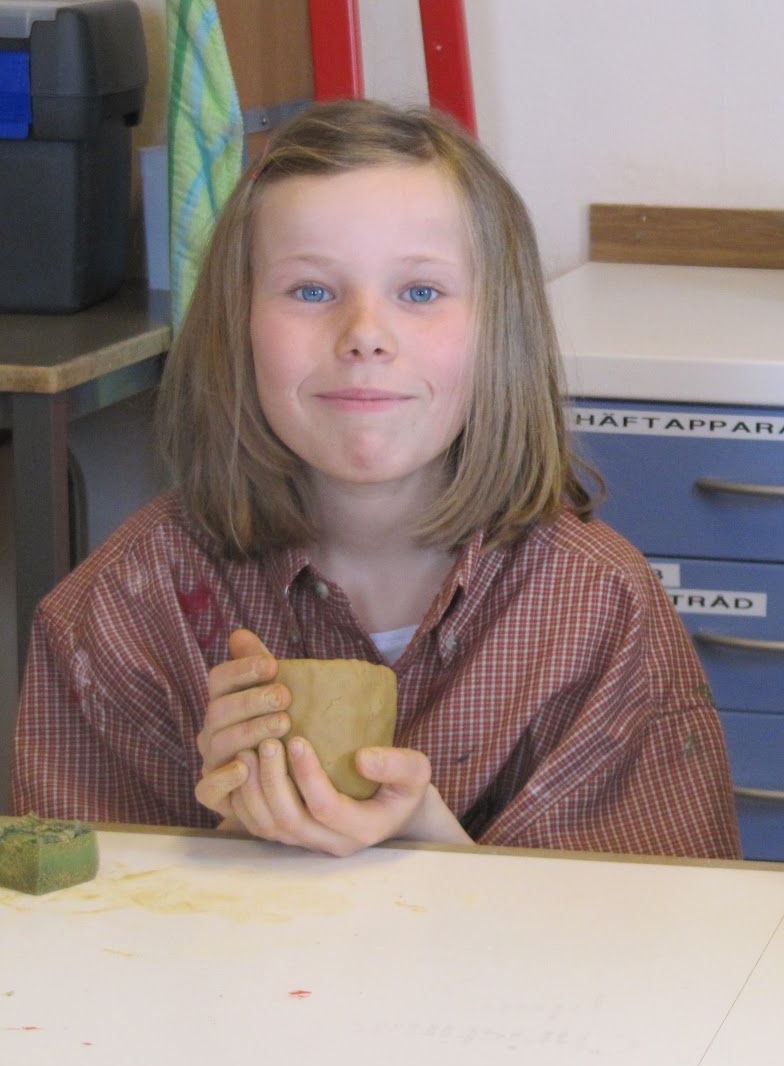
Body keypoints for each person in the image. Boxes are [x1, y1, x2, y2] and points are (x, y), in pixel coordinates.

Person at [12, 100, 740, 861]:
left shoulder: (598, 607)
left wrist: (439, 851)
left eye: (420, 292)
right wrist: (234, 843)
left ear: (500, 331)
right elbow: (65, 915)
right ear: (237, 326)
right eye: (311, 290)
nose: (364, 335)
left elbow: (668, 920)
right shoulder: (121, 611)